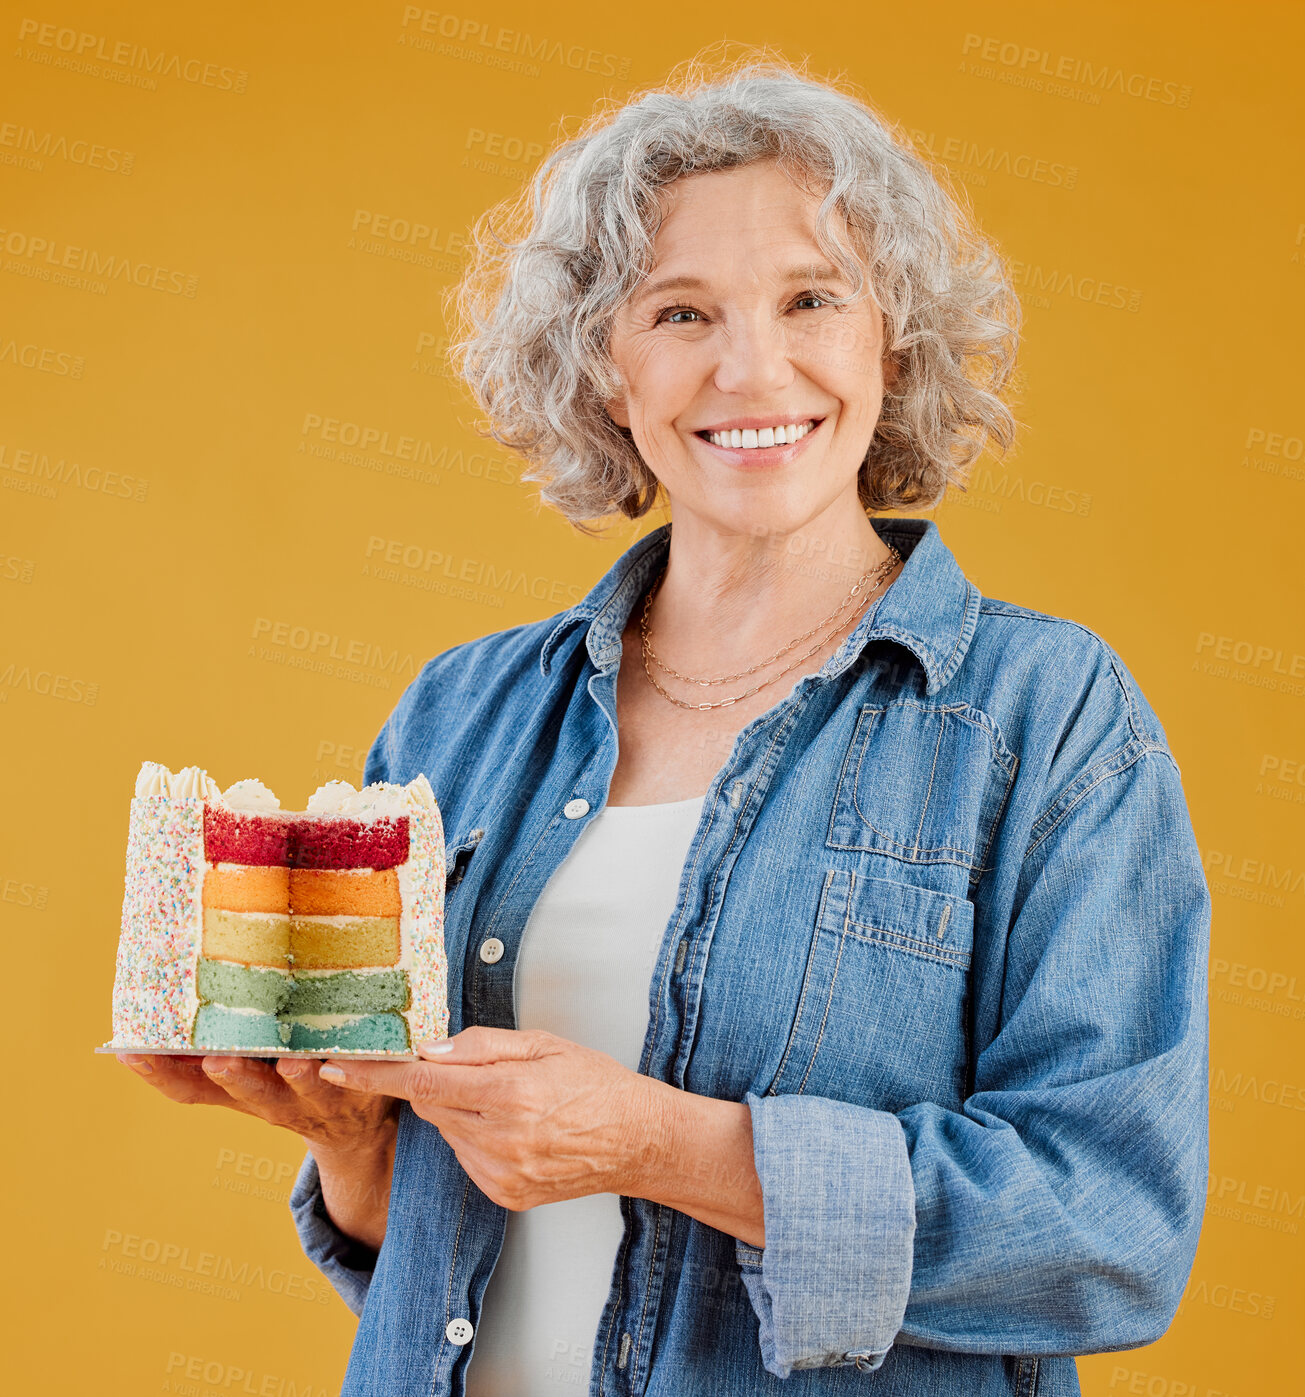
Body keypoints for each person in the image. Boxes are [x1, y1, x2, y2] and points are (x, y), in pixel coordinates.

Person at [118, 53, 1211, 1397]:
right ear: (606, 370)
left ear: (893, 340)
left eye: (813, 297)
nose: (753, 366)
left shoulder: (1046, 720)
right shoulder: (458, 715)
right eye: (681, 312)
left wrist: (658, 1142)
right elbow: (435, 1254)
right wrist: (349, 1144)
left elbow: (1110, 1231)